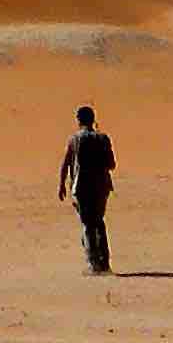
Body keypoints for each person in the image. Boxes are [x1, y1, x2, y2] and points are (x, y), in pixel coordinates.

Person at [54, 103, 116, 274]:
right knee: (99, 222)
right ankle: (105, 263)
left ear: (78, 120)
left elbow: (65, 162)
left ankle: (93, 264)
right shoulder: (103, 138)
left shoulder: (75, 139)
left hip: (81, 187)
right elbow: (112, 164)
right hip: (101, 187)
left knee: (88, 224)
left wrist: (61, 184)